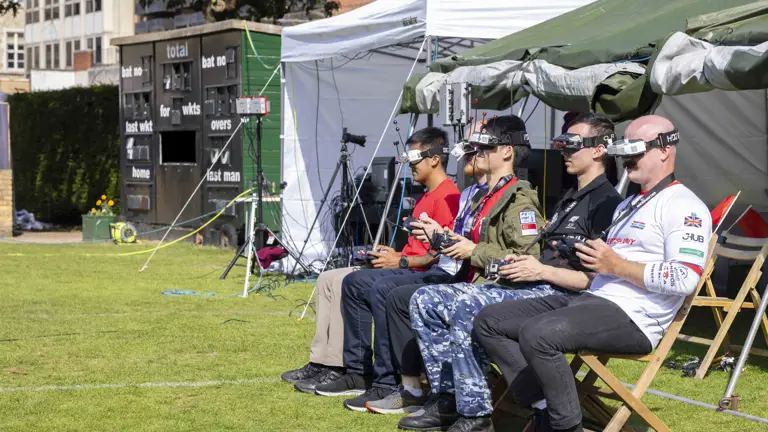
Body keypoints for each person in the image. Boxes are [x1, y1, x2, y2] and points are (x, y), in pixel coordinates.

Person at [474, 114, 711, 432]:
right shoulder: (629, 203)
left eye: (636, 150)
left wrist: (616, 266)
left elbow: (685, 278)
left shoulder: (685, 205)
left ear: (665, 150)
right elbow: (606, 265)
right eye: (624, 150)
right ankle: (544, 407)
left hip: (636, 317)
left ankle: (564, 426)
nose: (627, 159)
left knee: (539, 334)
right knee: (490, 321)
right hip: (595, 298)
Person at [397, 112, 623, 432]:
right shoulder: (570, 198)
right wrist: (451, 242)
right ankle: (448, 398)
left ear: (599, 150)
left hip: (558, 294)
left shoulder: (602, 201)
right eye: (561, 143)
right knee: (425, 299)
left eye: (572, 144)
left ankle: (475, 413)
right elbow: (526, 256)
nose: (563, 150)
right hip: (532, 283)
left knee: (461, 306)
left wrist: (476, 252)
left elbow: (584, 273)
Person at [283, 127, 461, 396]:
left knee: (353, 282)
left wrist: (400, 262)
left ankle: (356, 371)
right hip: (407, 265)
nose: (409, 164)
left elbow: (444, 253)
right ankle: (323, 361)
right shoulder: (426, 194)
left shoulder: (449, 197)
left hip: (421, 272)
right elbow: (419, 249)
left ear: (434, 158)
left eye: (413, 157)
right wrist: (393, 254)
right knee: (328, 278)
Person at [361, 122, 491, 415]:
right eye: (466, 147)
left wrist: (406, 260)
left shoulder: (463, 194)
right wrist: (411, 251)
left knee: (390, 291)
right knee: (353, 281)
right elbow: (451, 247)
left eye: (476, 147)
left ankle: (415, 388)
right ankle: (372, 376)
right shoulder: (470, 194)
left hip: (474, 281)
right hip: (458, 272)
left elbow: (493, 254)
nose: (465, 153)